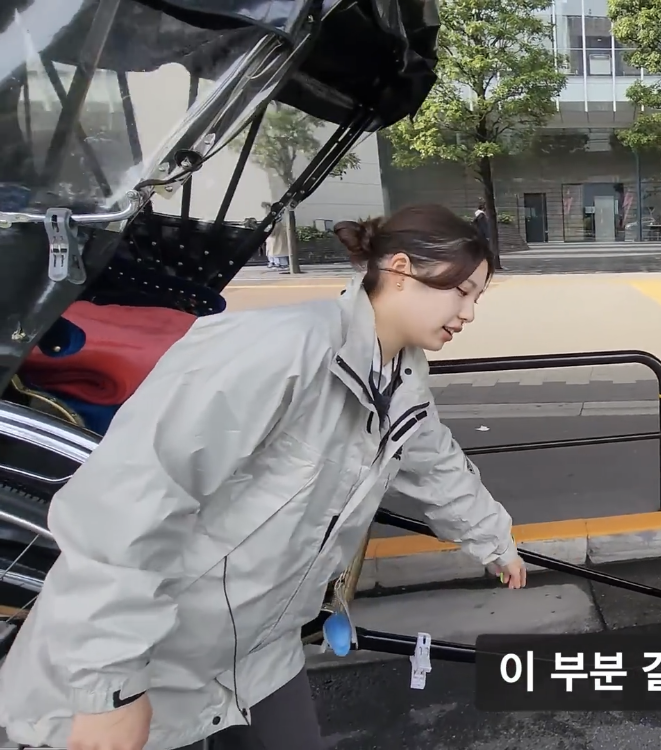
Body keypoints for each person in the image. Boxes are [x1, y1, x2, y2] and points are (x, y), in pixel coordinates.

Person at [0, 204, 527, 750]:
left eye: (476, 297)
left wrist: (492, 539)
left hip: (261, 650)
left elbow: (436, 461)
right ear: (399, 270)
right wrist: (107, 688)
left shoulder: (399, 374)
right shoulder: (278, 348)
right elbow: (127, 506)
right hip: (153, 655)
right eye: (460, 291)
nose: (468, 313)